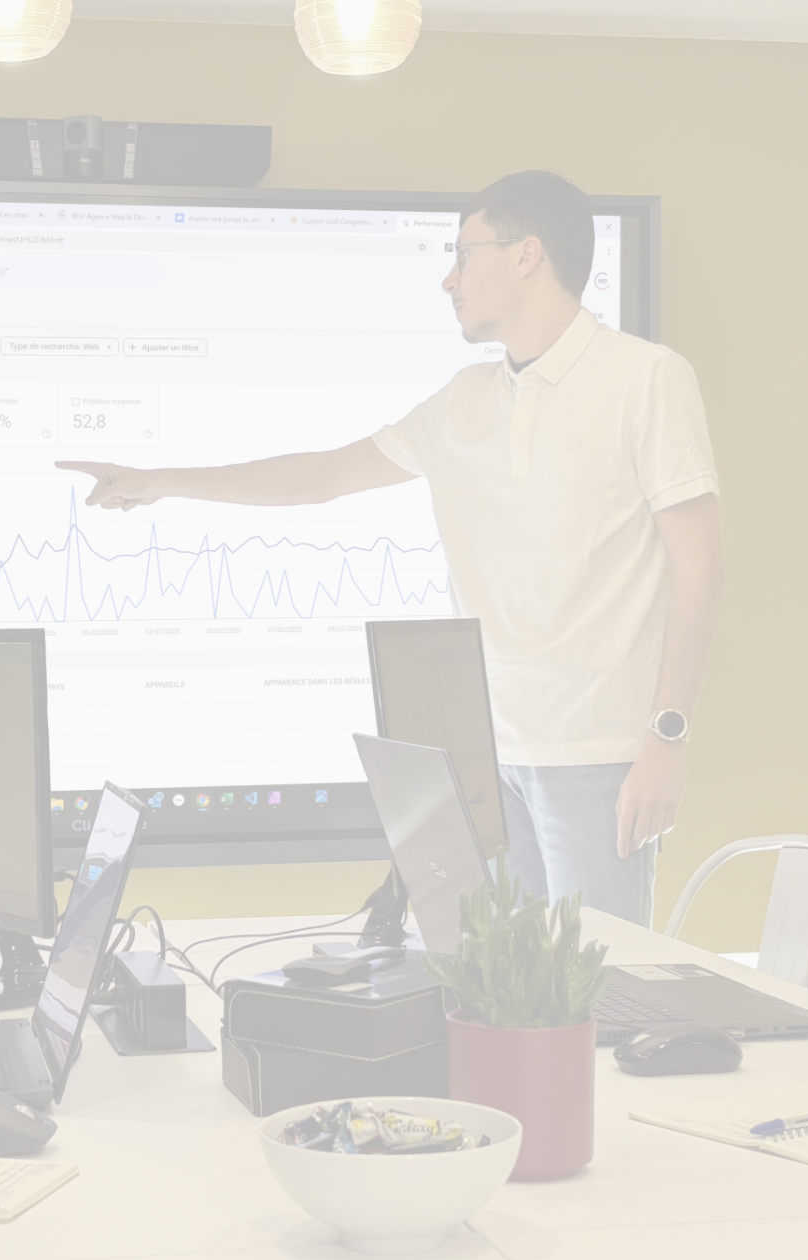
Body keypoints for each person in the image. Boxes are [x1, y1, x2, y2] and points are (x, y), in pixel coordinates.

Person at [59, 170, 723, 925]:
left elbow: (699, 566)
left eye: (463, 255)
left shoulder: (647, 379)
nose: (449, 279)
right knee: (508, 983)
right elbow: (322, 476)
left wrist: (668, 737)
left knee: (602, 982)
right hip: (487, 759)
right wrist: (158, 482)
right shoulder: (464, 401)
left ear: (526, 255)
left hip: (598, 755)